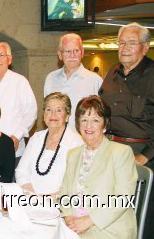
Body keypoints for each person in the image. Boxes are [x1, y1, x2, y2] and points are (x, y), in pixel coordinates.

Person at [99, 22, 154, 239]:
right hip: (113, 153)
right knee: (113, 213)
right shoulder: (112, 73)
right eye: (121, 42)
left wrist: (145, 156)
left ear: (145, 47)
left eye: (132, 43)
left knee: (142, 217)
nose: (124, 47)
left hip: (143, 153)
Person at [60, 95, 137, 238]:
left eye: (95, 120)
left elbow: (123, 197)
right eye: (84, 120)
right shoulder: (73, 154)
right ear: (78, 124)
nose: (88, 126)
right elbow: (64, 191)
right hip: (74, 226)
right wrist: (68, 217)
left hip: (109, 230)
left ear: (105, 125)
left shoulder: (121, 152)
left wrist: (89, 220)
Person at [15, 92, 83, 195]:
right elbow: (21, 171)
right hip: (30, 197)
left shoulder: (77, 142)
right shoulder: (36, 138)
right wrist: (33, 195)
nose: (53, 114)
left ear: (67, 115)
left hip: (60, 203)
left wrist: (48, 199)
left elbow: (76, 181)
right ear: (44, 115)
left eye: (59, 110)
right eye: (49, 109)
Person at [44, 33, 102, 131]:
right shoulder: (51, 78)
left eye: (76, 50)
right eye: (67, 51)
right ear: (60, 54)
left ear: (82, 53)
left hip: (83, 142)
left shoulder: (95, 81)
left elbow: (101, 117)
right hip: (56, 140)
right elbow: (48, 113)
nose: (72, 55)